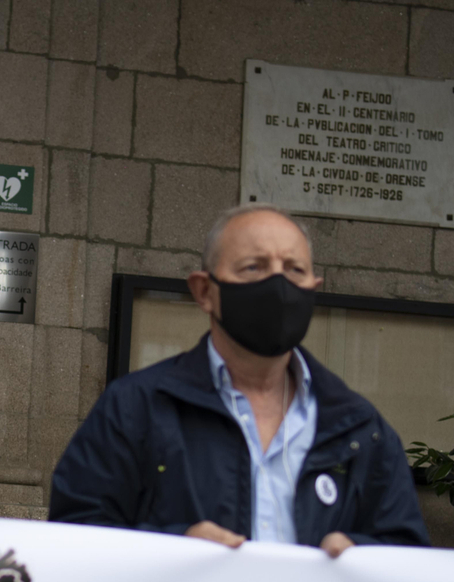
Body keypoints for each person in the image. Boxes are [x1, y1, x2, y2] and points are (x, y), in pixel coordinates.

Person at [49, 204, 428, 553]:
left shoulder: (361, 429)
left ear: (314, 289)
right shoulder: (134, 409)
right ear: (204, 291)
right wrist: (172, 548)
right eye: (254, 268)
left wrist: (360, 557)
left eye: (294, 269)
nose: (278, 286)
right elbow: (74, 540)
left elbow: (407, 559)